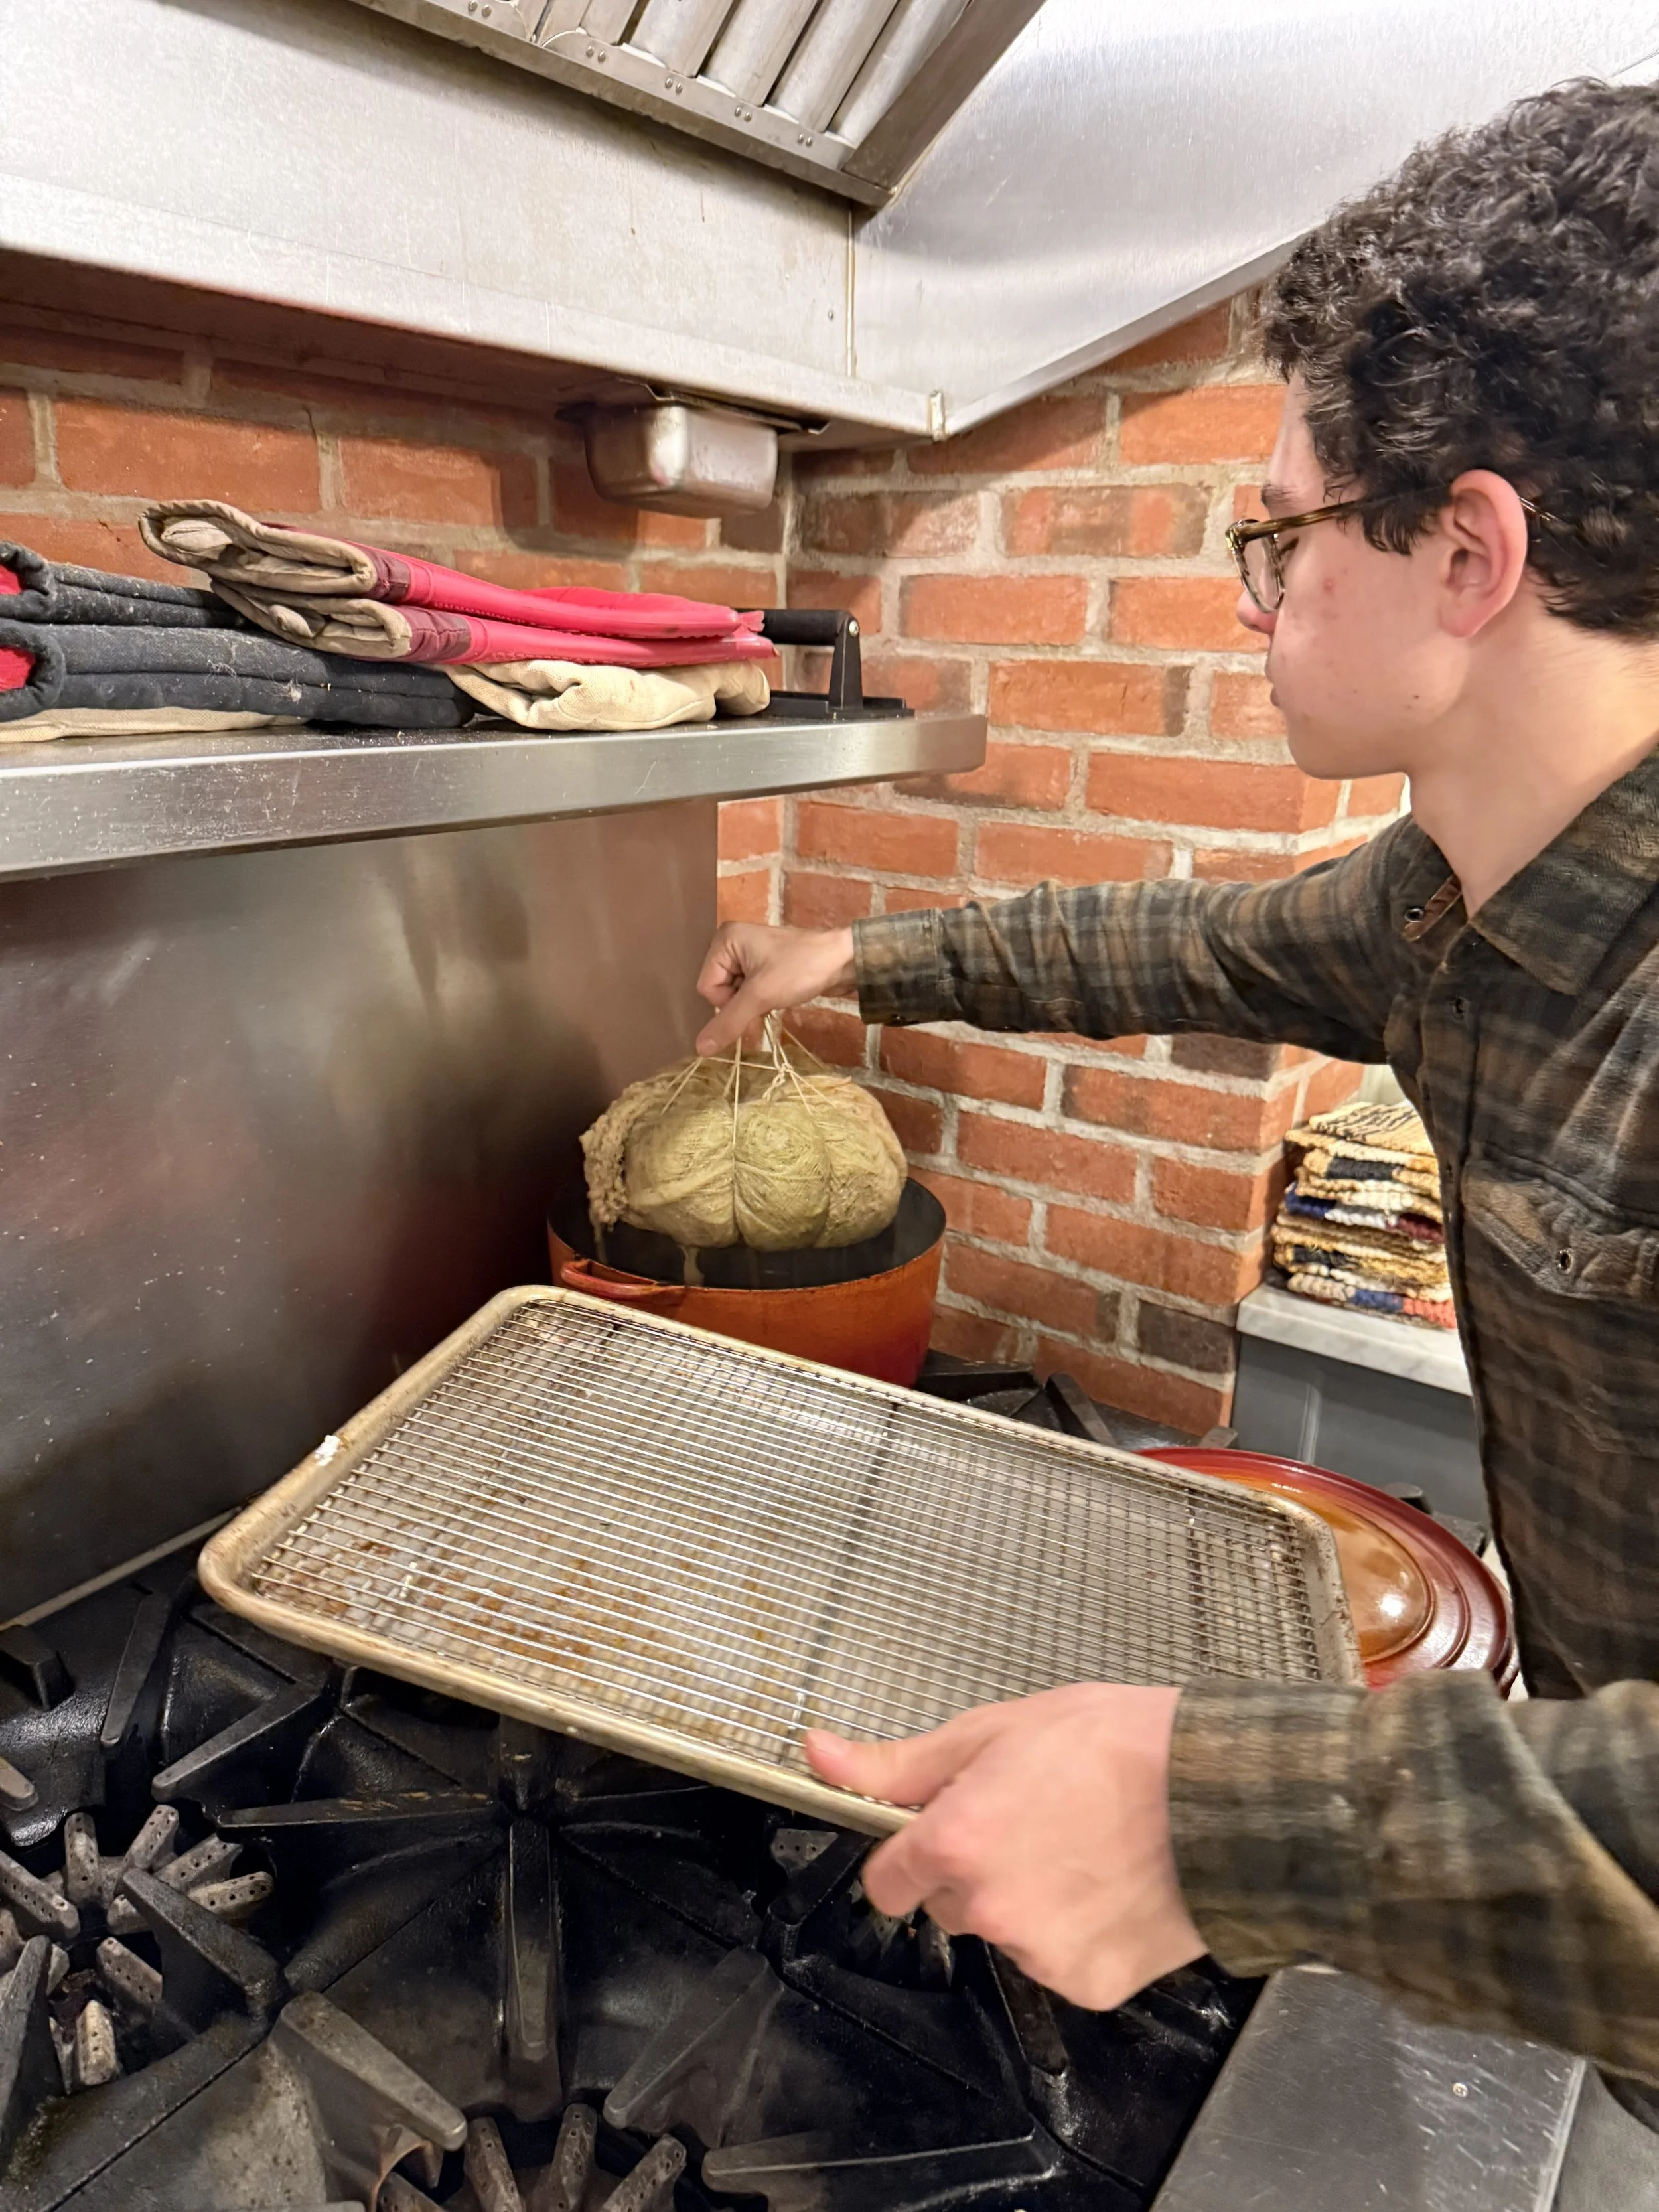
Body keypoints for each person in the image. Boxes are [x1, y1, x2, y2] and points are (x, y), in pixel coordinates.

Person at [692, 80, 1659, 2103]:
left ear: (1468, 553)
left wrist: (1221, 1820)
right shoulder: (1450, 904)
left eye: (1273, 536)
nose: (1244, 596)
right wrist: (846, 959)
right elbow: (1177, 946)